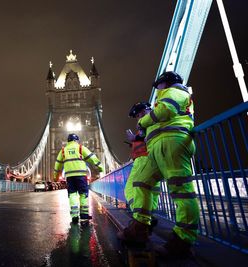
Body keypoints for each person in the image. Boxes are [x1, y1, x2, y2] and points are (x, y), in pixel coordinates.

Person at [117, 71, 199, 258]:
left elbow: (164, 112)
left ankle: (183, 241)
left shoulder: (176, 92)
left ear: (166, 83)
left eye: (158, 85)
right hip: (158, 148)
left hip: (172, 143)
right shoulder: (165, 96)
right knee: (140, 183)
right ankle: (140, 228)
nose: (157, 89)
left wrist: (143, 123)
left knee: (182, 192)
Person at [124, 102, 160, 231]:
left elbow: (145, 136)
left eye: (138, 115)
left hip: (143, 159)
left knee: (130, 189)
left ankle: (140, 217)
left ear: (143, 111)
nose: (138, 119)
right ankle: (149, 215)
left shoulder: (148, 119)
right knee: (151, 189)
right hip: (154, 156)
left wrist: (134, 138)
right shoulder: (156, 116)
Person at [54, 133, 103, 224]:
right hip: (81, 176)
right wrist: (100, 167)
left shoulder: (63, 150)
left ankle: (74, 216)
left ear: (68, 141)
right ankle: (84, 215)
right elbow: (92, 158)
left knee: (72, 195)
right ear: (76, 140)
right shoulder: (81, 148)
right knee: (83, 194)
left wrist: (55, 176)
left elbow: (57, 164)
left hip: (69, 177)